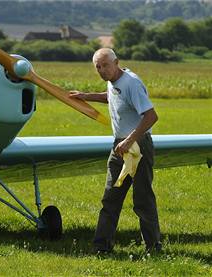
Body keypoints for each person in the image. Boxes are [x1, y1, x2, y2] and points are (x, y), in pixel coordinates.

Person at [70, 48, 162, 253]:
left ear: (116, 62)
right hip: (119, 147)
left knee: (143, 199)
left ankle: (153, 247)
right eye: (98, 67)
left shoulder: (132, 83)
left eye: (105, 65)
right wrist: (86, 96)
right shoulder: (113, 82)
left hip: (138, 146)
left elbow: (151, 116)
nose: (102, 70)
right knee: (110, 198)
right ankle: (101, 247)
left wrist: (129, 141)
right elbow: (112, 97)